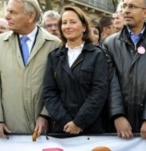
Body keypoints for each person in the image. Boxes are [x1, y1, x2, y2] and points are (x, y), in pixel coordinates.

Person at [0, 0, 61, 138]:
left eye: (12, 12)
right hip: (8, 130)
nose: (6, 16)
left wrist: (46, 115)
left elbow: (60, 85)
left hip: (45, 131)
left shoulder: (55, 44)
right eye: (7, 11)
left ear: (31, 16)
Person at [102, 0, 146, 139]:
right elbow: (111, 82)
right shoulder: (110, 43)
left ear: (145, 13)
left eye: (132, 6)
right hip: (118, 124)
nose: (126, 10)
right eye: (124, 6)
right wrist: (117, 115)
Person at [43, 6, 109, 134]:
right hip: (61, 128)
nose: (68, 26)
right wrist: (65, 120)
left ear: (84, 27)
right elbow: (49, 92)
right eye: (64, 22)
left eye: (73, 22)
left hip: (90, 128)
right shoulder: (54, 56)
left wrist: (79, 122)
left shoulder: (96, 55)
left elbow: (99, 91)